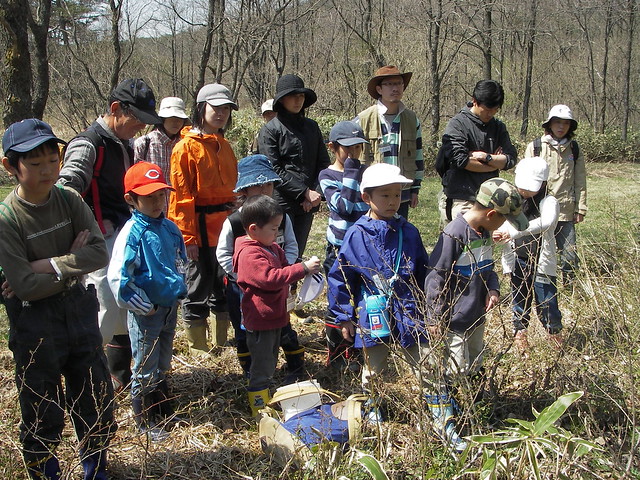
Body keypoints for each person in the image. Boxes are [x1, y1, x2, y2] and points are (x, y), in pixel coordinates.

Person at [0, 119, 116, 479]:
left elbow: (99, 253)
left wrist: (47, 264)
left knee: (94, 395)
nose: (48, 170)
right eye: (35, 164)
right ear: (10, 166)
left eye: (53, 160)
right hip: (34, 320)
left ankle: (95, 468)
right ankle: (45, 470)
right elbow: (24, 286)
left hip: (77, 310)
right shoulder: (8, 218)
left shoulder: (68, 199)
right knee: (41, 404)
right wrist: (70, 264)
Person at [59, 78, 161, 392]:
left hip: (124, 239)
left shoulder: (124, 144)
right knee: (101, 313)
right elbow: (68, 184)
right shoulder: (88, 143)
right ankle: (88, 383)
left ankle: (117, 376)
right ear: (116, 110)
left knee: (121, 311)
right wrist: (74, 213)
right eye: (137, 120)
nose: (141, 128)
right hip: (99, 243)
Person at [424, 178, 528, 452]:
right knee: (453, 368)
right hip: (455, 320)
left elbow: (487, 267)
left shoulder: (483, 231)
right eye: (504, 220)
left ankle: (471, 408)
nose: (503, 227)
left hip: (476, 316)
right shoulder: (454, 234)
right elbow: (436, 277)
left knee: (473, 363)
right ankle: (446, 417)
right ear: (492, 214)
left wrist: (492, 288)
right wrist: (434, 317)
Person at [327, 163, 429, 424]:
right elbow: (341, 277)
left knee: (422, 364)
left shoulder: (409, 232)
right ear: (366, 198)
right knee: (374, 368)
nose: (393, 201)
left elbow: (423, 274)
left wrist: (429, 310)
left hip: (408, 308)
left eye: (397, 194)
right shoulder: (356, 235)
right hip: (373, 311)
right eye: (385, 195)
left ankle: (430, 410)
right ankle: (373, 409)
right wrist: (344, 316)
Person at [107, 162, 188, 440]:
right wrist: (144, 305)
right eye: (149, 197)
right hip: (147, 313)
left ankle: (162, 407)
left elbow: (180, 261)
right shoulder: (132, 233)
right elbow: (119, 279)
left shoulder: (170, 228)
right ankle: (144, 419)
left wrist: (180, 289)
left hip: (169, 308)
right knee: (144, 364)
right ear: (132, 199)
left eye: (161, 195)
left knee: (163, 360)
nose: (157, 202)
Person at [216, 154, 306, 382]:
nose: (265, 189)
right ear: (245, 189)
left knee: (283, 323)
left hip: (278, 281)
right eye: (258, 185)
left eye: (269, 184)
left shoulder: (281, 216)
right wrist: (243, 274)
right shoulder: (235, 221)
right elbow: (223, 253)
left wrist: (287, 266)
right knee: (245, 327)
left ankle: (295, 367)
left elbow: (292, 244)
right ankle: (251, 371)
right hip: (242, 287)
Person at [231, 195, 321, 416]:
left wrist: (299, 272)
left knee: (270, 359)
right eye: (273, 229)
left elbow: (283, 268)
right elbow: (270, 278)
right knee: (262, 365)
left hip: (275, 315)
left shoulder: (270, 246)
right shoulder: (250, 253)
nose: (277, 233)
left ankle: (266, 397)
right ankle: (258, 408)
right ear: (253, 229)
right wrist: (303, 269)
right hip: (261, 320)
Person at [168, 83, 238, 354]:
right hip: (198, 229)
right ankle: (199, 350)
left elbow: (234, 192)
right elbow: (181, 197)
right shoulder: (184, 148)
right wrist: (187, 238)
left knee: (224, 286)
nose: (221, 114)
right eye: (215, 108)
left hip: (226, 229)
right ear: (201, 109)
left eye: (226, 109)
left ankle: (222, 343)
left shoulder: (225, 144)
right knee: (197, 289)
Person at [258, 74, 330, 263]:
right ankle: (279, 291)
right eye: (293, 96)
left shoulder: (312, 127)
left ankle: (294, 290)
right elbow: (273, 169)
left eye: (301, 96)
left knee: (297, 253)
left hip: (308, 203)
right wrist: (303, 192)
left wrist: (315, 193)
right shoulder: (270, 130)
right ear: (282, 100)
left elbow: (323, 163)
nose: (298, 100)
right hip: (282, 203)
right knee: (278, 254)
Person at [494, 157, 563, 353]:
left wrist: (514, 232)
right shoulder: (514, 201)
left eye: (530, 187)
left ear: (542, 184)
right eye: (522, 186)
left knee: (547, 303)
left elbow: (546, 222)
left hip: (542, 263)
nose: (524, 191)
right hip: (520, 261)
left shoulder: (549, 201)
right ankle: (520, 338)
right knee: (519, 302)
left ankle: (555, 342)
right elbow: (506, 225)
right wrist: (502, 235)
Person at [318, 120, 370, 369]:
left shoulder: (367, 172)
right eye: (347, 148)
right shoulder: (327, 176)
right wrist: (351, 172)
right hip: (339, 248)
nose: (353, 153)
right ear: (333, 147)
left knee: (362, 297)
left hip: (365, 247)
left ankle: (359, 350)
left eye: (358, 148)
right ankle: (337, 352)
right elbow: (344, 207)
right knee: (339, 299)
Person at [437, 79, 517, 225]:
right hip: (461, 198)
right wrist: (495, 163)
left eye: (495, 110)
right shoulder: (458, 124)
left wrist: (486, 157)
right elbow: (460, 160)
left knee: (484, 247)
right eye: (487, 109)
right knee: (461, 244)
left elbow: (510, 159)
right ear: (475, 101)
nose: (491, 114)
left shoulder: (498, 127)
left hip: (489, 201)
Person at [524, 104, 587, 284]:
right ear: (549, 124)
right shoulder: (535, 147)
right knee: (535, 253)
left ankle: (569, 289)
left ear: (570, 126)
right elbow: (525, 178)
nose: (561, 127)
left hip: (565, 211)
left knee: (569, 255)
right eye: (557, 122)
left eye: (565, 123)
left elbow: (580, 180)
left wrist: (580, 208)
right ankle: (534, 286)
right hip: (538, 211)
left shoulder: (574, 149)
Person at [355, 65, 424, 220]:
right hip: (373, 194)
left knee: (398, 235)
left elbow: (418, 156)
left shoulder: (412, 120)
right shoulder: (363, 119)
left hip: (402, 194)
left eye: (399, 83)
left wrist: (415, 189)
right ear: (379, 89)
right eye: (390, 84)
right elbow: (352, 159)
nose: (395, 88)